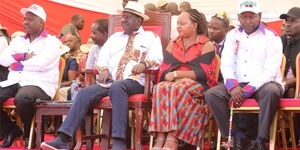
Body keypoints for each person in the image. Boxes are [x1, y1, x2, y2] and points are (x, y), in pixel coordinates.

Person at [40, 1, 163, 150]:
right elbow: (102, 59)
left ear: (139, 20)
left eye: (128, 17)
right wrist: (103, 70)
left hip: (137, 81)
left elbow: (158, 60)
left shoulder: (151, 37)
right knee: (85, 92)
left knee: (118, 87)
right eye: (123, 16)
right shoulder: (115, 38)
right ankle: (64, 139)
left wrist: (144, 65)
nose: (123, 20)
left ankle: (119, 141)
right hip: (112, 82)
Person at [204, 0, 283, 149]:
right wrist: (233, 86)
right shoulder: (233, 35)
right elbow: (226, 64)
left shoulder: (272, 37)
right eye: (243, 16)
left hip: (265, 84)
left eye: (251, 16)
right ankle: (236, 136)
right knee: (212, 95)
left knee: (271, 91)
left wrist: (249, 89)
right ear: (238, 17)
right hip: (238, 84)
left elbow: (270, 71)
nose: (247, 21)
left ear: (259, 16)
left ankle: (261, 139)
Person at [149, 9, 218, 150]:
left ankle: (172, 138)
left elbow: (204, 73)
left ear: (194, 25)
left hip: (199, 85)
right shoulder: (173, 43)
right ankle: (161, 136)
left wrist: (178, 75)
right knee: (159, 87)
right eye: (177, 23)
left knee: (176, 88)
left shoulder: (206, 45)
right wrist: (174, 78)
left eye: (182, 23)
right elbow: (164, 70)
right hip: (173, 85)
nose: (178, 27)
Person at [0, 4, 61, 148]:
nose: (26, 22)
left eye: (31, 19)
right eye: (25, 19)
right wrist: (25, 56)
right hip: (16, 81)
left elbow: (42, 63)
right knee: (19, 94)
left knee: (22, 98)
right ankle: (10, 129)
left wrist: (16, 63)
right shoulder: (18, 40)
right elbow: (3, 60)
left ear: (42, 23)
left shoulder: (52, 42)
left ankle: (29, 133)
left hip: (40, 83)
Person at [280, 7, 300, 146]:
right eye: (286, 21)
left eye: (293, 21)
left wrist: (287, 83)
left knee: (294, 92)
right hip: (279, 84)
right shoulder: (278, 41)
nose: (288, 24)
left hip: (294, 85)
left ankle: (296, 135)